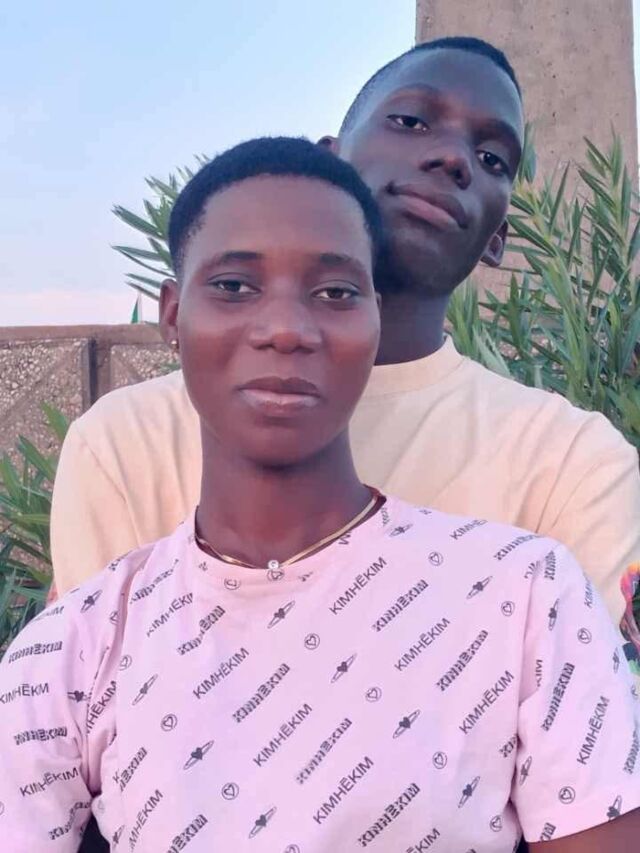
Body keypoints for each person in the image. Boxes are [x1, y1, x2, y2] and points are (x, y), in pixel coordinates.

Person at [2, 136, 640, 852]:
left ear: (374, 320)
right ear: (173, 316)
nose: (286, 329)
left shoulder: (525, 596)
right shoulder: (73, 651)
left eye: (335, 293)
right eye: (234, 286)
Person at [50, 37, 640, 630]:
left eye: (492, 158)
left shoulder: (573, 465)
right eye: (411, 121)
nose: (454, 158)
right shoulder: (124, 443)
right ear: (329, 163)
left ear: (498, 238)